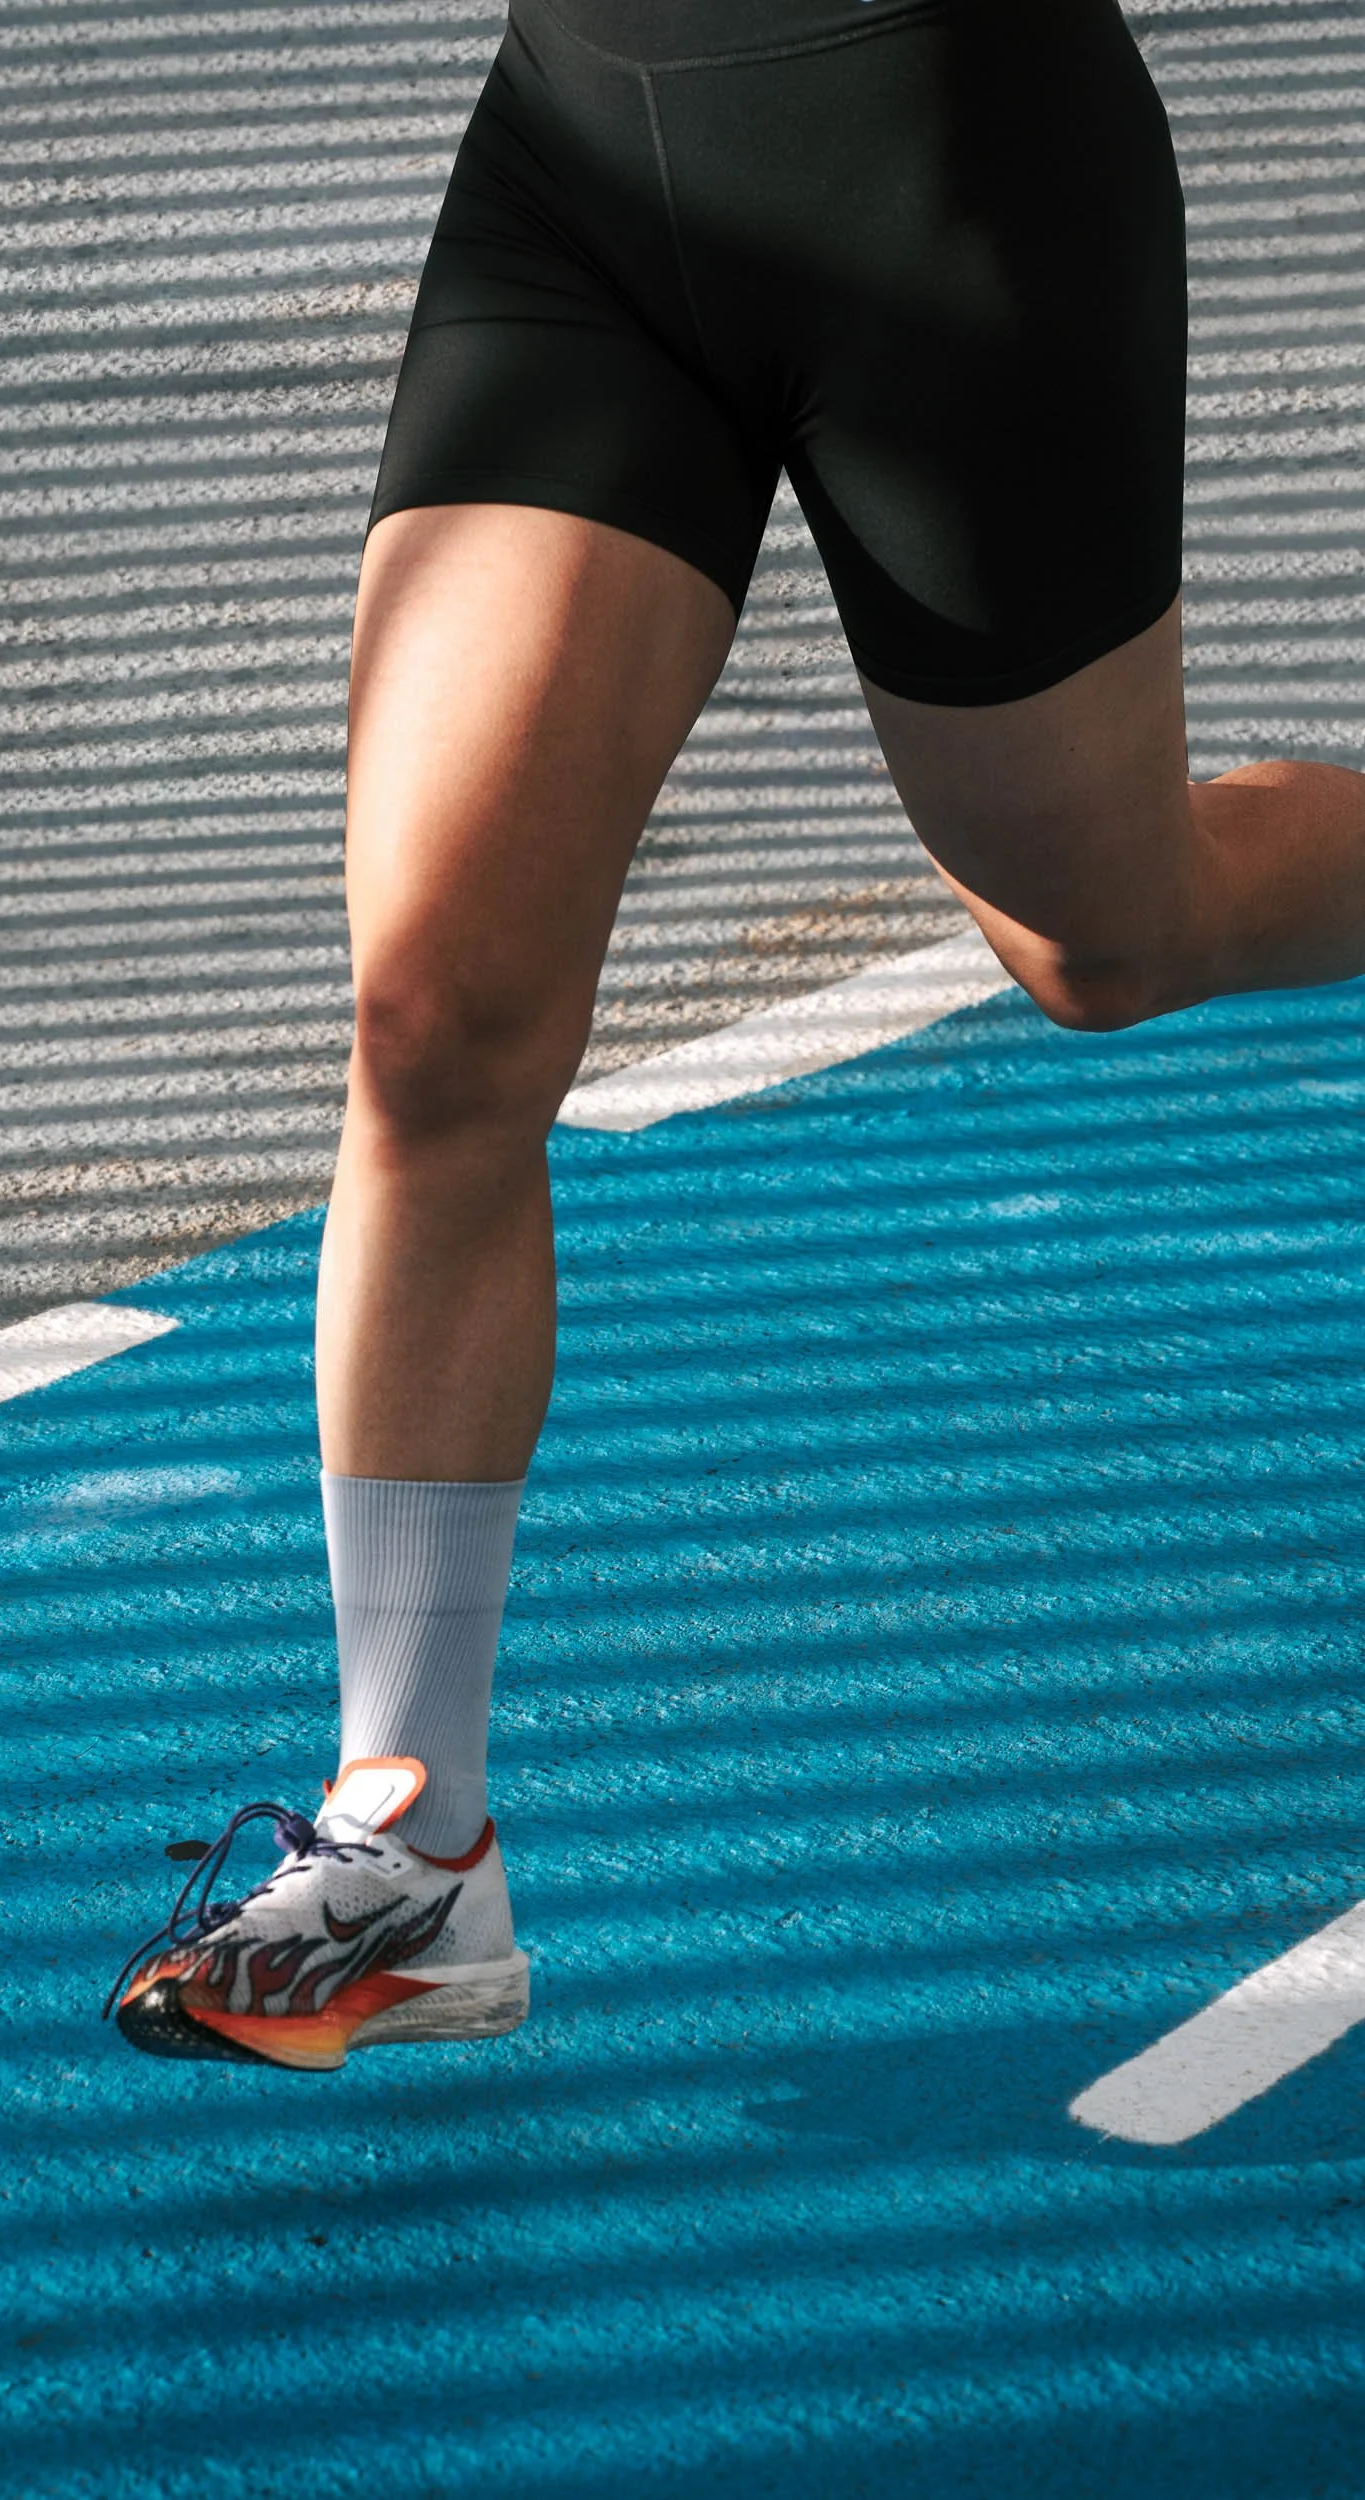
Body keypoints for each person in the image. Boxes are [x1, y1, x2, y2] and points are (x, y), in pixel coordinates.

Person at [107, 0, 1365, 2070]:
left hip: (943, 167)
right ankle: (410, 1846)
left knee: (1102, 940)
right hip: (586, 169)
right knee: (436, 1018)